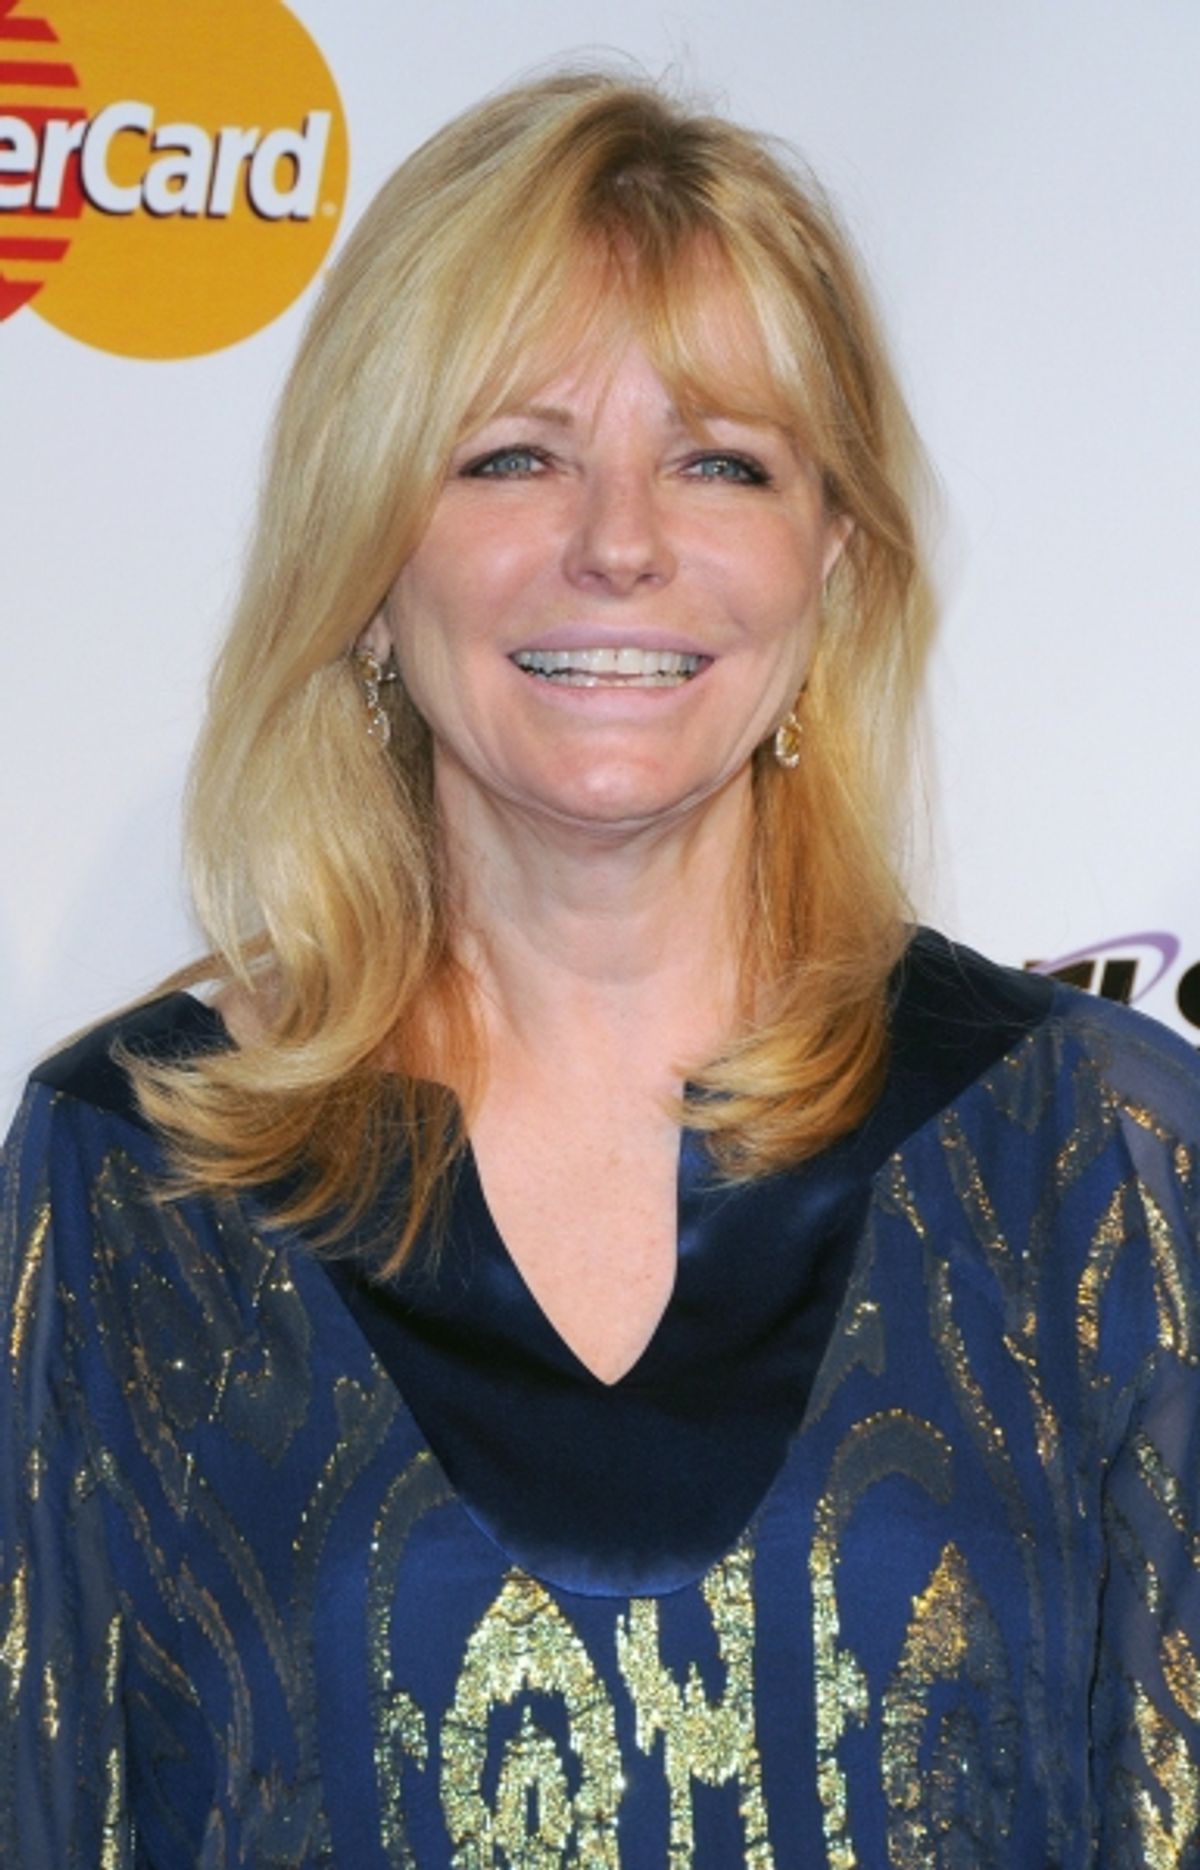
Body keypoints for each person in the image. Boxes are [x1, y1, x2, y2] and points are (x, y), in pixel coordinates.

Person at [3, 67, 1199, 1869]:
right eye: (513, 456)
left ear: (833, 557)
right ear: (369, 559)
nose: (619, 541)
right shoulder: (136, 1182)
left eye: (720, 460)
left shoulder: (1094, 1159)